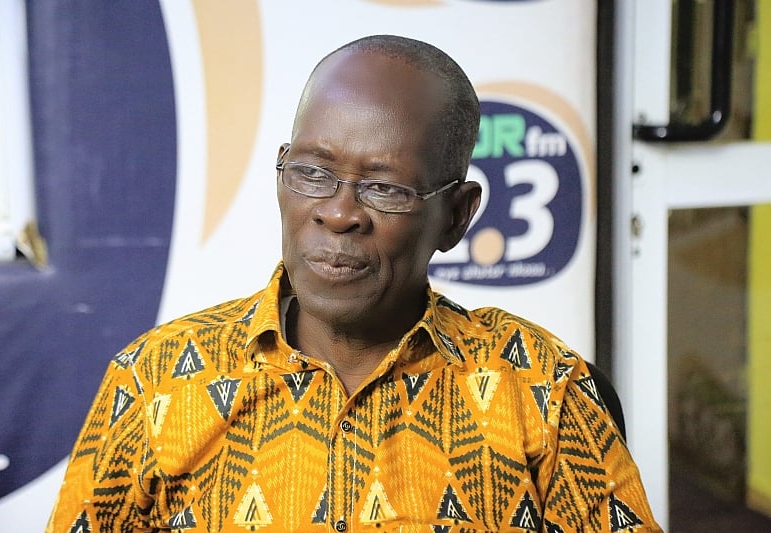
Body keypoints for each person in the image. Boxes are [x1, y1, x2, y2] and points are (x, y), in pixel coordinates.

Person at [47, 34, 661, 532]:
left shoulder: (541, 390)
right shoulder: (156, 382)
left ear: (456, 216)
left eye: (384, 187)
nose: (340, 213)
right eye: (313, 173)